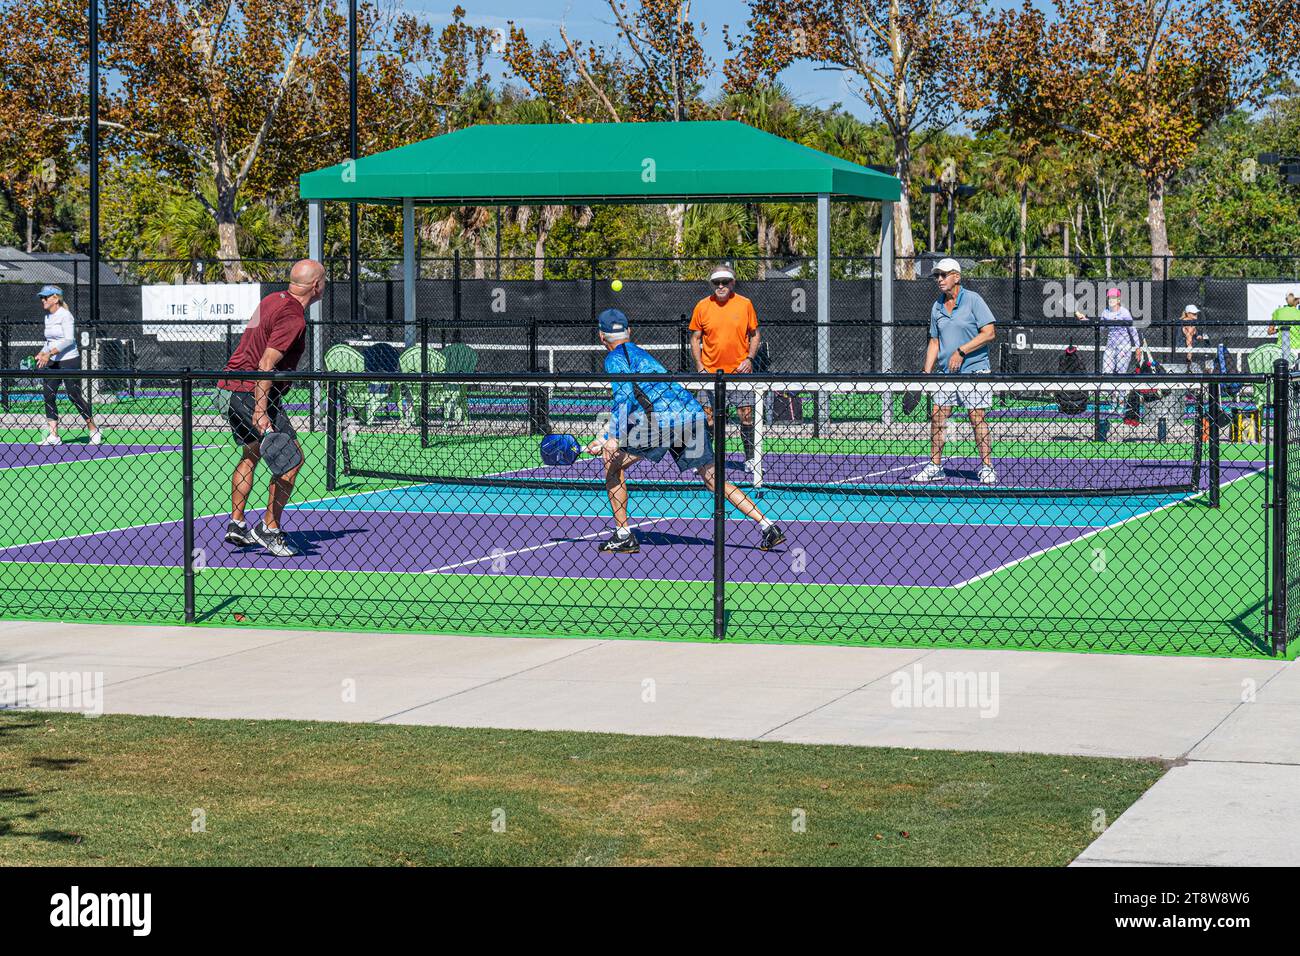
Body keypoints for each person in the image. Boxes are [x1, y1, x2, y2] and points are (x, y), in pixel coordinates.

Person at [589, 308, 784, 554]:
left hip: (661, 420)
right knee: (714, 479)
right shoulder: (643, 355)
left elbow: (625, 398)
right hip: (691, 414)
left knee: (613, 465)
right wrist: (606, 436)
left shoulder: (614, 359)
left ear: (600, 336)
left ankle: (624, 535)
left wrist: (614, 439)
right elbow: (642, 398)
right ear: (629, 331)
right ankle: (767, 526)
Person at [216, 259, 325, 557]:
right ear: (316, 286)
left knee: (251, 455)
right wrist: (261, 409)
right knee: (292, 461)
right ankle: (269, 528)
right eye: (324, 280)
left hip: (229, 388)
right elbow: (266, 363)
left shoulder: (270, 301)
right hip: (254, 393)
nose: (325, 286)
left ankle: (237, 524)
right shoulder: (294, 317)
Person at [913, 258, 999, 485]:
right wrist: (925, 373)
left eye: (943, 275)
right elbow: (934, 342)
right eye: (937, 276)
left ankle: (987, 467)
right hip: (945, 375)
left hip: (975, 370)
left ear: (956, 277)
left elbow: (989, 333)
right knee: (937, 417)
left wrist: (961, 351)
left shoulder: (973, 300)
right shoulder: (936, 306)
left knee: (976, 418)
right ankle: (935, 466)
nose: (939, 279)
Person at [689, 265, 761, 471]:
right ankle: (703, 460)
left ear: (732, 283)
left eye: (725, 282)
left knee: (746, 415)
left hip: (739, 375)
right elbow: (695, 339)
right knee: (708, 418)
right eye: (716, 283)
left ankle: (751, 461)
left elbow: (755, 334)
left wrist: (749, 359)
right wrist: (700, 367)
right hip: (710, 374)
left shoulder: (745, 304)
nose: (720, 286)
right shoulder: (702, 306)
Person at [33, 285, 101, 446]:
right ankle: (54, 436)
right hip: (53, 362)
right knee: (48, 395)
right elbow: (49, 341)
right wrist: (43, 352)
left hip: (70, 360)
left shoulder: (65, 316)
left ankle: (93, 429)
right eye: (41, 297)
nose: (42, 300)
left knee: (73, 395)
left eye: (46, 297)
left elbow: (68, 340)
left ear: (55, 298)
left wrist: (49, 353)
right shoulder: (47, 317)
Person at [1076, 286, 1139, 412]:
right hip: (1110, 347)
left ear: (1118, 299)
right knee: (1107, 373)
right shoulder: (1105, 312)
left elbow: (1133, 330)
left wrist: (1137, 347)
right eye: (1110, 297)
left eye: (1114, 297)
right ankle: (1113, 403)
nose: (1111, 299)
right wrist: (1085, 319)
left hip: (1124, 347)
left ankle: (1121, 405)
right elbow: (1101, 327)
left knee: (1120, 375)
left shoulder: (1124, 312)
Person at [1267, 292, 1300, 364]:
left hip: (1281, 348)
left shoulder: (1278, 311)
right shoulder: (1299, 313)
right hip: (1297, 349)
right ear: (1298, 300)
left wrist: (1280, 329)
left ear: (1286, 300)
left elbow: (1270, 331)